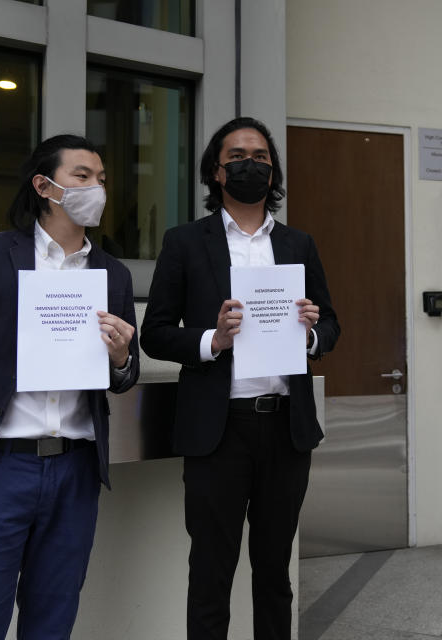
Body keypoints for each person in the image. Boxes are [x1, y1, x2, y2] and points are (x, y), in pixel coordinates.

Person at [0, 134, 140, 639]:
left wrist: (121, 357)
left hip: (75, 469)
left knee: (52, 621)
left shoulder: (113, 273)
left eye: (102, 180)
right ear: (44, 186)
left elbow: (124, 377)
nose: (97, 189)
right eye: (82, 177)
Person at [140, 116, 339, 639]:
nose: (251, 164)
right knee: (210, 571)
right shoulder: (184, 242)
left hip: (285, 431)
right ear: (216, 171)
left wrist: (310, 335)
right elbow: (155, 332)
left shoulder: (298, 243)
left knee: (274, 572)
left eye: (261, 157)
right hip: (217, 429)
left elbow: (332, 323)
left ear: (272, 174)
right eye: (238, 156)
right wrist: (214, 339)